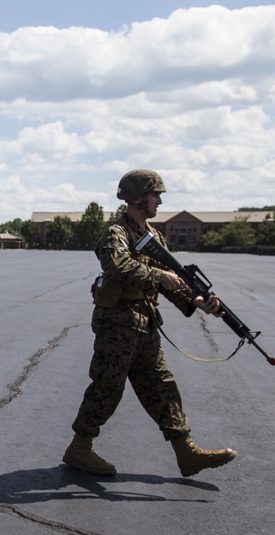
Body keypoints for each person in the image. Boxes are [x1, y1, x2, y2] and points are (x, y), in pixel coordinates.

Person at [62, 169, 237, 478]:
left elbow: (169, 282)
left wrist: (196, 300)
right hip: (117, 324)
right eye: (155, 195)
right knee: (107, 386)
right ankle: (80, 448)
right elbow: (117, 265)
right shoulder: (116, 232)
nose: (159, 201)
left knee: (161, 386)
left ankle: (186, 451)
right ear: (138, 197)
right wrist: (160, 276)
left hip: (145, 324)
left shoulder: (153, 236)